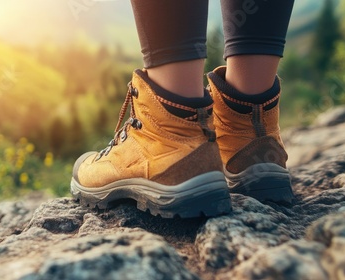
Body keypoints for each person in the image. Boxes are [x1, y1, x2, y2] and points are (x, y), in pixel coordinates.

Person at [71, 0, 296, 218]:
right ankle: (248, 140)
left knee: (178, 129)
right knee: (249, 100)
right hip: (268, 142)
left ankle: (173, 140)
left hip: (173, 159)